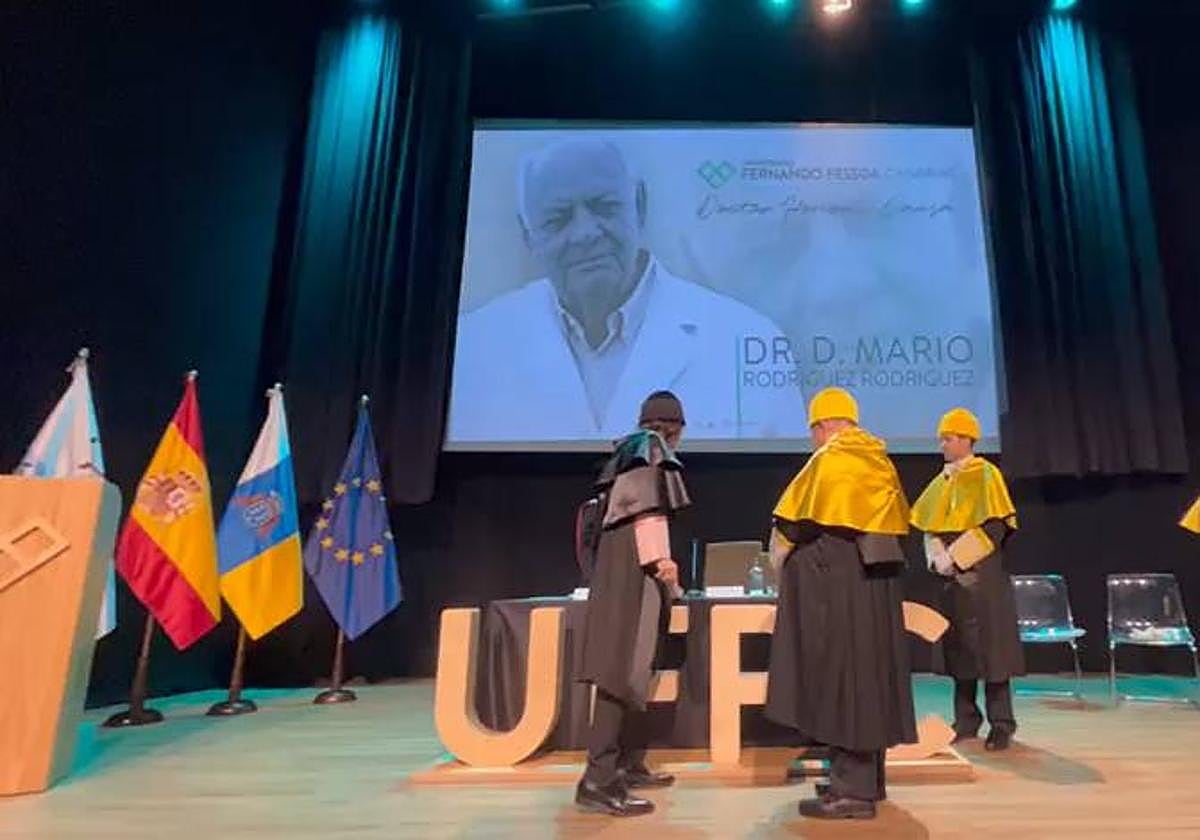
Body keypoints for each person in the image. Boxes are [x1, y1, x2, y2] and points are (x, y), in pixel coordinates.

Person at [449, 138, 802, 444]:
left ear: (639, 205)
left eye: (604, 207)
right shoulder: (473, 346)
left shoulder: (746, 336)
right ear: (529, 235)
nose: (585, 233)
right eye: (558, 219)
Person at [764, 387, 916, 820]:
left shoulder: (831, 460)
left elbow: (794, 523)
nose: (814, 438)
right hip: (873, 590)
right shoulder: (879, 460)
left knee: (844, 678)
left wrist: (778, 559)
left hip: (838, 589)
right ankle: (865, 781)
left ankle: (852, 793)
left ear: (824, 425)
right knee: (868, 677)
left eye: (813, 429)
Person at [575, 391, 690, 817]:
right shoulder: (649, 450)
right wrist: (662, 562)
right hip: (633, 575)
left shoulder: (626, 452)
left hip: (619, 571)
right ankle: (598, 780)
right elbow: (647, 514)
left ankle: (624, 763)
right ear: (676, 427)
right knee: (619, 670)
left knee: (631, 670)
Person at [910, 407, 1024, 751]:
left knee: (992, 653)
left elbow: (995, 527)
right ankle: (966, 719)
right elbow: (929, 524)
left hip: (983, 579)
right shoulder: (941, 480)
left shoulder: (987, 475)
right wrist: (936, 555)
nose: (942, 445)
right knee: (959, 651)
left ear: (965, 439)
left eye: (947, 438)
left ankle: (1001, 723)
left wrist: (956, 557)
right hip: (951, 582)